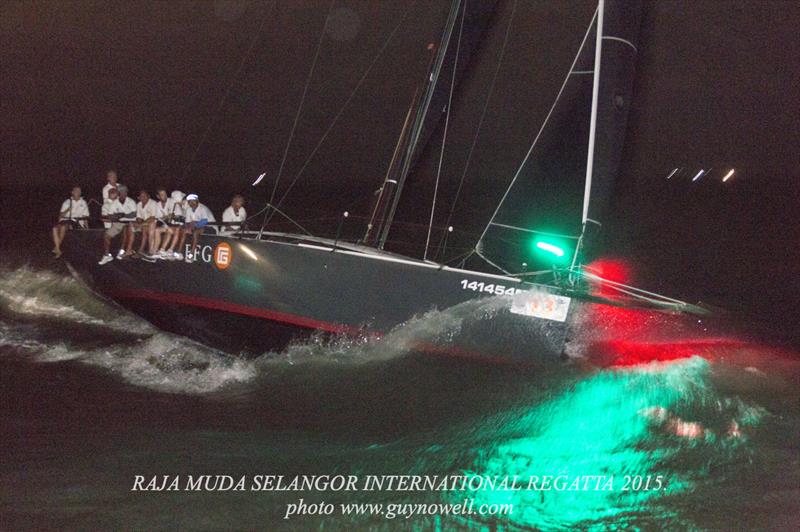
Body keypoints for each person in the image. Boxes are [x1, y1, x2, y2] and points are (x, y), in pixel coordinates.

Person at [51, 186, 89, 258]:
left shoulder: (83, 202)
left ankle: (57, 248)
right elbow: (61, 215)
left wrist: (87, 228)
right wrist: (68, 209)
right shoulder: (67, 202)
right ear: (72, 192)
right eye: (76, 190)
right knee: (54, 228)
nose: (78, 192)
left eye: (79, 191)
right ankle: (58, 249)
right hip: (64, 220)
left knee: (63, 227)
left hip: (74, 221)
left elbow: (85, 217)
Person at [126, 190, 159, 260]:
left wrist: (141, 224)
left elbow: (152, 218)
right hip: (144, 224)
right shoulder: (139, 205)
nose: (143, 197)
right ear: (138, 198)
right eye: (141, 196)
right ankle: (128, 250)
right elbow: (139, 217)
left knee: (148, 228)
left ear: (148, 196)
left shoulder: (153, 203)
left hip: (154, 224)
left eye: (145, 196)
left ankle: (150, 252)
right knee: (131, 225)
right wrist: (138, 223)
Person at [182, 193, 215, 263]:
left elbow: (205, 221)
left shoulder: (203, 208)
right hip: (198, 227)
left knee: (195, 232)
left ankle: (191, 254)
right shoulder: (188, 210)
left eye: (194, 201)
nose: (192, 203)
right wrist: (189, 226)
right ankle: (179, 252)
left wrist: (194, 224)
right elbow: (187, 222)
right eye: (190, 201)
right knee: (184, 231)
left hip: (211, 227)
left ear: (197, 201)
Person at [98, 187, 124, 265]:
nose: (113, 194)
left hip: (123, 223)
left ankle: (122, 252)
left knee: (127, 229)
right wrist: (114, 218)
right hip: (113, 225)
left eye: (114, 192)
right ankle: (107, 255)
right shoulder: (106, 205)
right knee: (106, 235)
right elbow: (104, 218)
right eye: (111, 193)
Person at [160, 190, 186, 260]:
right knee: (170, 230)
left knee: (177, 229)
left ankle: (172, 251)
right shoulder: (175, 205)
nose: (183, 200)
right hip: (179, 225)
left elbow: (185, 219)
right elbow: (175, 219)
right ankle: (162, 250)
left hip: (187, 226)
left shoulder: (186, 204)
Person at [113, 185, 137, 259]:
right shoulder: (115, 202)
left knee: (130, 228)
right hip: (119, 223)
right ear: (119, 193)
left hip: (131, 222)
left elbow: (134, 214)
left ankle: (128, 250)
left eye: (125, 191)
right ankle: (122, 251)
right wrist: (120, 216)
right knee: (122, 230)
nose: (123, 193)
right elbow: (113, 214)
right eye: (121, 191)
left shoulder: (131, 201)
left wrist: (123, 215)